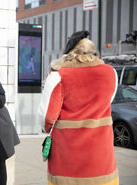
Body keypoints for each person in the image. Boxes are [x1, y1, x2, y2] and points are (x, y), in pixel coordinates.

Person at [37, 31, 119, 185]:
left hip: (68, 155)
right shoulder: (111, 73)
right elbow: (108, 101)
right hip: (101, 155)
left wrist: (46, 129)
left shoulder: (59, 75)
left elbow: (47, 117)